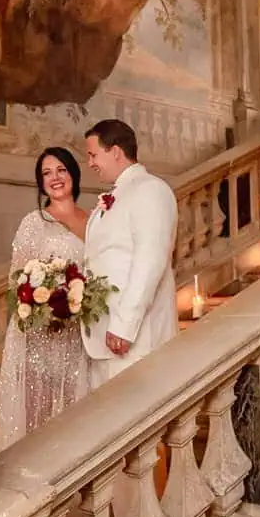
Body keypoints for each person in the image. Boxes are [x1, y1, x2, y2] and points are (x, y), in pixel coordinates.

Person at [0, 148, 94, 448]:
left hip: (80, 335)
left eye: (61, 170)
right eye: (47, 173)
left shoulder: (94, 220)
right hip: (40, 337)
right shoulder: (34, 222)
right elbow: (17, 280)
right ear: (41, 182)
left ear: (73, 173)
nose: (55, 178)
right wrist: (44, 305)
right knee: (38, 418)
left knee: (76, 415)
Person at [80, 118, 178, 385]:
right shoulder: (122, 192)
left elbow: (150, 261)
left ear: (115, 151)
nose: (90, 163)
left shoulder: (150, 190)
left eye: (93, 155)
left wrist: (124, 327)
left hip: (136, 340)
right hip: (106, 341)